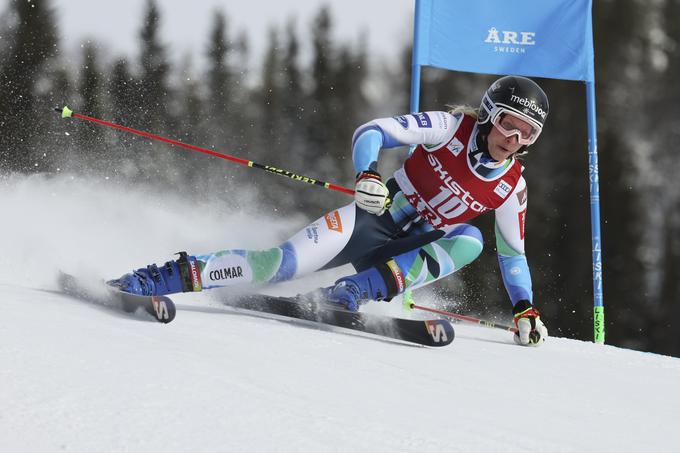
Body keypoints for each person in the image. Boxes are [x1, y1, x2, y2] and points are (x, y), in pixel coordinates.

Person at [112, 75, 549, 346]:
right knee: (279, 265)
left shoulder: (513, 186)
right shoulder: (451, 127)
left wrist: (525, 309)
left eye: (527, 133)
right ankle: (153, 278)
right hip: (373, 220)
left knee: (470, 239)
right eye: (509, 123)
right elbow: (372, 131)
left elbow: (513, 257)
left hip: (407, 252)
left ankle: (351, 293)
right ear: (490, 115)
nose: (514, 139)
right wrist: (368, 175)